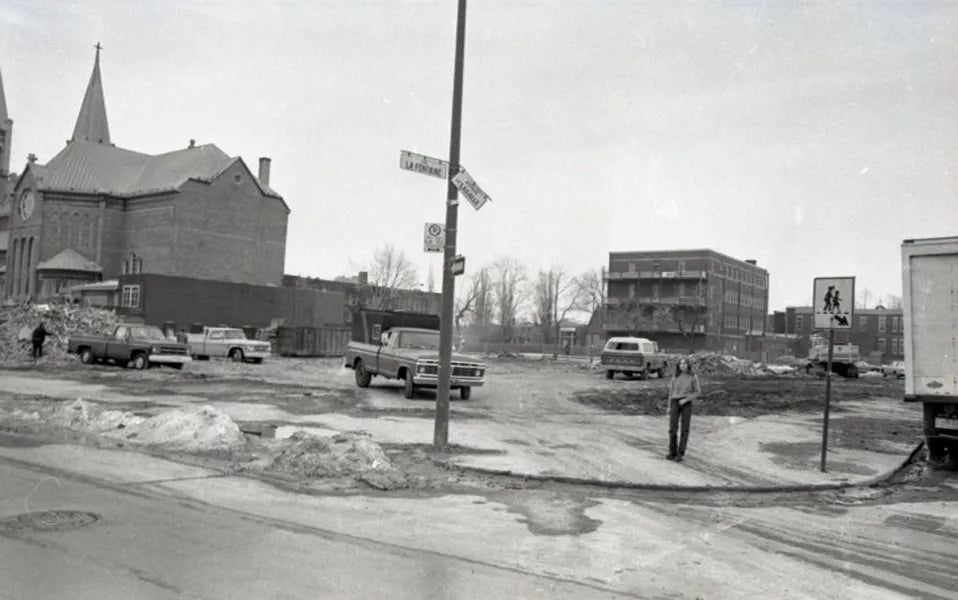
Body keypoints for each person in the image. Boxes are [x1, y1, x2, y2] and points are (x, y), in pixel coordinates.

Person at [666, 357, 701, 462]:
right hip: (675, 403)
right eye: (681, 364)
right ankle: (672, 452)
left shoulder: (693, 377)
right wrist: (668, 406)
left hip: (686, 403)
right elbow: (671, 393)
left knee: (684, 429)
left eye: (684, 363)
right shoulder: (675, 376)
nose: (682, 365)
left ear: (688, 365)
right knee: (672, 429)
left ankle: (680, 453)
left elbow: (697, 392)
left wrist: (686, 400)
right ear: (678, 366)